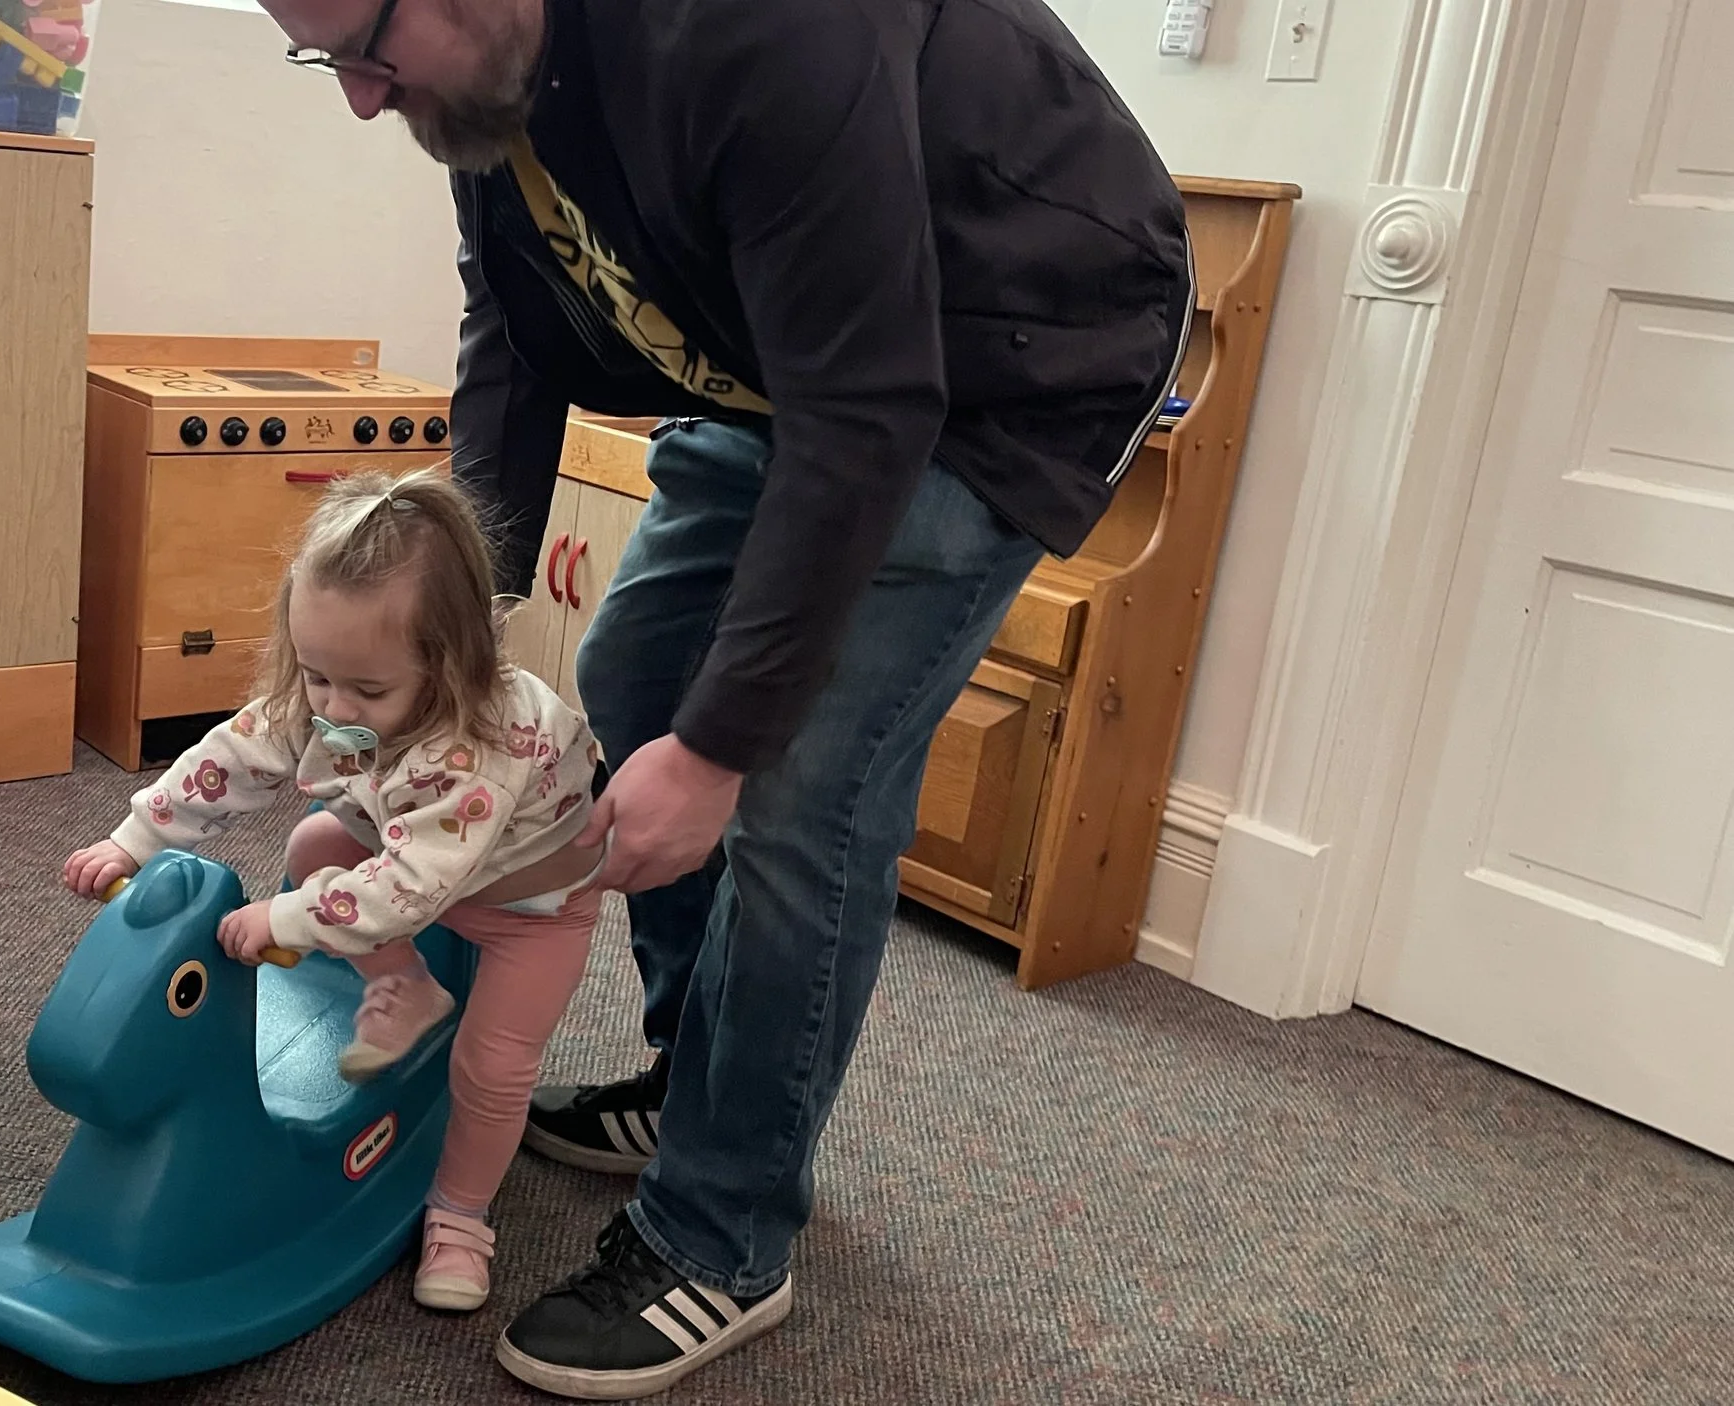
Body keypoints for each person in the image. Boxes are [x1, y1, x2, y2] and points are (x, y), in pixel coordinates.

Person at [252, 0, 1195, 1396]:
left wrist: (720, 752)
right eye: (325, 58)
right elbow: (512, 327)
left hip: (1007, 356)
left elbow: (872, 406)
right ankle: (697, 1080)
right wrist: (448, 625)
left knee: (803, 781)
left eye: (369, 48)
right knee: (635, 676)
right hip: (785, 347)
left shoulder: (762, 25)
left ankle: (725, 1228)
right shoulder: (487, 77)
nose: (359, 99)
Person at [62, 469, 606, 1313]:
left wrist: (286, 918)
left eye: (367, 690)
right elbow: (232, 757)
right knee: (317, 838)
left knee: (496, 1067)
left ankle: (461, 1220)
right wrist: (135, 837)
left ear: (452, 661)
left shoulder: (480, 744)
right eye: (317, 676)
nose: (334, 705)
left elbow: (406, 890)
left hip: (532, 907)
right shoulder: (330, 685)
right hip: (418, 847)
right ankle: (406, 986)